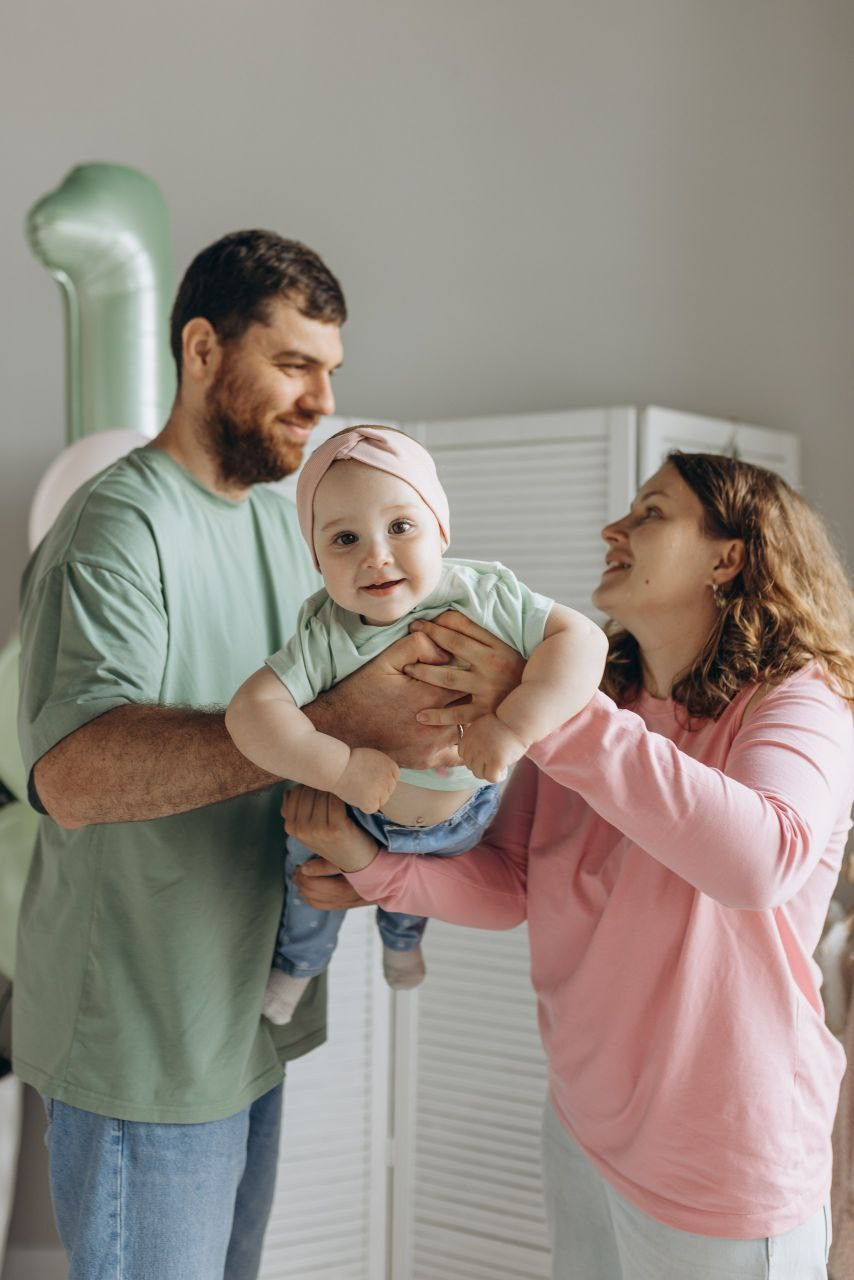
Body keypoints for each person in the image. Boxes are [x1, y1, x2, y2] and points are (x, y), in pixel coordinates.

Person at [14, 229, 520, 1280]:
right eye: (293, 365)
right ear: (203, 349)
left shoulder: (294, 527)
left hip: (242, 1019)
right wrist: (343, 727)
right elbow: (71, 774)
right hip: (142, 1040)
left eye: (329, 371)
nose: (318, 398)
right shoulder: (118, 526)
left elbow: (331, 716)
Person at [285, 451, 854, 1280]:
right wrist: (372, 867)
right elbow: (517, 878)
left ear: (728, 557)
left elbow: (760, 862)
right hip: (585, 1126)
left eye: (651, 514)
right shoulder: (604, 703)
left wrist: (549, 714)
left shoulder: (800, 700)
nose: (612, 528)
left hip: (724, 1160)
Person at [226, 425, 607, 1021]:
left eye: (401, 527)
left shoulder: (485, 596)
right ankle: (299, 967)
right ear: (317, 558)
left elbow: (582, 640)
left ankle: (402, 943)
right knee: (308, 887)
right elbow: (251, 713)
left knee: (417, 888)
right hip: (351, 807)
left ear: (442, 530)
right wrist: (340, 766)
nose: (376, 556)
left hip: (461, 820)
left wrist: (513, 725)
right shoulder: (324, 630)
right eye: (345, 538)